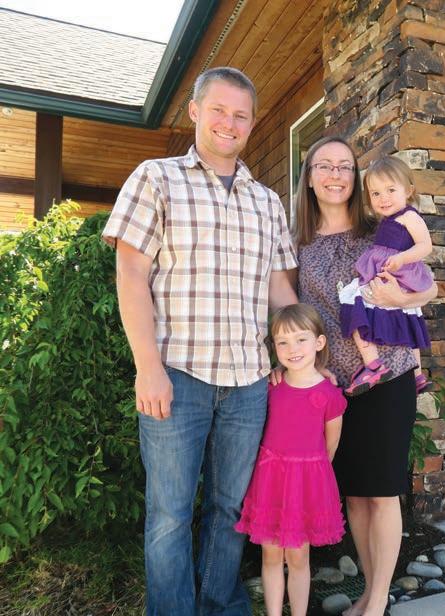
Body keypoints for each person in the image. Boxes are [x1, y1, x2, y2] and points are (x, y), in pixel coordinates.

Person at [102, 67, 298, 615]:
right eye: (218, 110)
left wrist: (302, 356)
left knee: (230, 508)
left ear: (252, 123)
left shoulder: (268, 202)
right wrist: (147, 367)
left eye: (240, 115)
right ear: (194, 111)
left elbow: (280, 293)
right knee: (169, 514)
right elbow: (131, 275)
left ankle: (218, 605)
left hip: (248, 382)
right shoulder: (156, 178)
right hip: (177, 375)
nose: (228, 123)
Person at [292, 136, 437, 616]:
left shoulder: (380, 227)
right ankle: (371, 592)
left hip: (388, 373)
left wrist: (403, 298)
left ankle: (376, 602)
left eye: (344, 167)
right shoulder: (297, 242)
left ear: (355, 179)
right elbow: (291, 312)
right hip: (335, 384)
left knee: (383, 490)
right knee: (355, 493)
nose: (335, 175)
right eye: (324, 166)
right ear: (309, 177)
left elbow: (428, 284)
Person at [235, 303, 346, 616]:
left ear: (319, 342)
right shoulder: (272, 386)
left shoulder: (329, 394)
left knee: (298, 558)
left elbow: (329, 447)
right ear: (274, 347)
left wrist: (307, 476)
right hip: (270, 481)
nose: (292, 349)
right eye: (282, 342)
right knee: (270, 556)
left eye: (300, 340)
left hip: (305, 486)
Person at [338, 155, 434, 396]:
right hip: (391, 270)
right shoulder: (388, 220)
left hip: (398, 271)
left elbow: (425, 245)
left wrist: (402, 258)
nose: (383, 198)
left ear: (408, 190)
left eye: (391, 190)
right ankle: (417, 374)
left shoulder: (409, 216)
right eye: (376, 193)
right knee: (407, 316)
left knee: (353, 298)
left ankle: (372, 364)